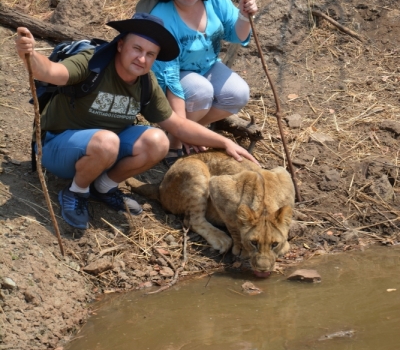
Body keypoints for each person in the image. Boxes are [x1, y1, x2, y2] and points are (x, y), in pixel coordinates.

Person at [16, 13, 257, 230]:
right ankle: (75, 192)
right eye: (137, 49)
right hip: (55, 147)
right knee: (107, 141)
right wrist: (30, 54)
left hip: (102, 150)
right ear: (121, 45)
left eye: (150, 54)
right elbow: (50, 72)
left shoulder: (144, 82)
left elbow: (177, 125)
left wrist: (223, 142)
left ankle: (102, 187)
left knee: (158, 141)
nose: (142, 59)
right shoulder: (93, 62)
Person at [135, 0, 258, 166]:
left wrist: (244, 17)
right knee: (201, 91)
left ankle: (194, 130)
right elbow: (170, 78)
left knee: (238, 93)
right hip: (168, 76)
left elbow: (236, 35)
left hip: (207, 66)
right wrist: (181, 133)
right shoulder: (163, 17)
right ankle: (174, 140)